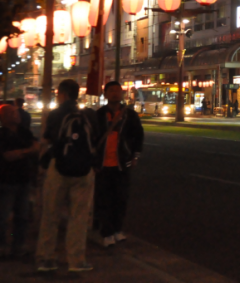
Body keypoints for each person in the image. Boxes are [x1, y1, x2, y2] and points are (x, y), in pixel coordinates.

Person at [36, 79, 100, 273]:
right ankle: (76, 260)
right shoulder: (88, 115)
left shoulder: (55, 114)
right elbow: (96, 140)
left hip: (59, 167)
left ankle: (47, 258)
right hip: (84, 171)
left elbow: (47, 140)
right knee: (79, 216)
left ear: (62, 93)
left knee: (51, 214)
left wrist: (41, 161)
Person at [94, 82, 144, 248]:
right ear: (105, 94)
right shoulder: (99, 115)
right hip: (102, 165)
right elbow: (93, 138)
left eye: (118, 91)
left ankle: (117, 230)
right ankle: (107, 233)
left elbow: (138, 136)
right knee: (104, 199)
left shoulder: (130, 115)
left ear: (122, 94)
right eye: (111, 91)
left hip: (122, 164)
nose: (115, 93)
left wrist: (135, 156)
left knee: (121, 199)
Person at [0, 104, 38, 259]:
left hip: (23, 179)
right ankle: (3, 247)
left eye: (15, 112)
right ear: (4, 117)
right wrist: (27, 151)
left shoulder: (24, 132)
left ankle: (18, 246)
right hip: (6, 181)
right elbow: (8, 156)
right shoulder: (2, 135)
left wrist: (21, 152)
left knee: (22, 216)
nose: (17, 115)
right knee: (2, 217)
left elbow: (37, 147)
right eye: (12, 113)